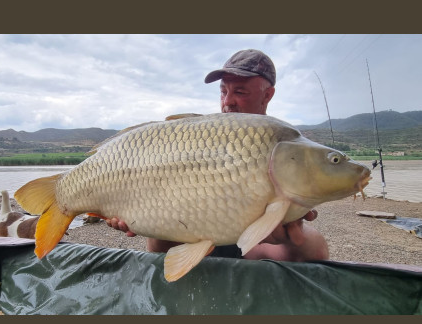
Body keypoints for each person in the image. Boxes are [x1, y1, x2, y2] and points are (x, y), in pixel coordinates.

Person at [107, 49, 329, 262]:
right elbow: (158, 249)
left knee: (304, 245)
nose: (228, 101)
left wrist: (292, 236)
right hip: (195, 253)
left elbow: (314, 254)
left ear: (267, 95)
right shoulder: (197, 140)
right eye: (223, 91)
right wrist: (141, 219)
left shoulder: (282, 151)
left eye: (240, 92)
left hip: (246, 257)